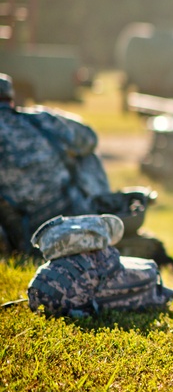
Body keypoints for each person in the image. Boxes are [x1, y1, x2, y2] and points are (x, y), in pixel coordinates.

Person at [0, 72, 110, 255]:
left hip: (24, 236)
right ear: (11, 99)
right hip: (73, 216)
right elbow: (89, 138)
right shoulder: (39, 119)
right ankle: (105, 216)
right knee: (86, 156)